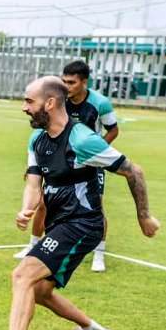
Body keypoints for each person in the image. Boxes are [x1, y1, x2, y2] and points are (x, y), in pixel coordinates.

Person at [0, 76, 159, 330]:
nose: (24, 108)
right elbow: (33, 182)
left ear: (51, 103)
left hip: (83, 223)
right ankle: (92, 329)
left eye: (29, 101)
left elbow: (134, 171)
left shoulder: (82, 140)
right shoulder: (38, 140)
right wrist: (26, 208)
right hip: (60, 223)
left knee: (23, 274)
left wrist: (144, 217)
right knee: (40, 291)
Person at [14, 61, 119, 272]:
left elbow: (113, 129)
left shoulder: (100, 103)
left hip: (89, 158)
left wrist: (95, 154)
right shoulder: (60, 102)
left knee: (96, 204)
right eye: (64, 81)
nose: (67, 86)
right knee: (43, 202)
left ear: (84, 82)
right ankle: (34, 244)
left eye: (71, 82)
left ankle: (99, 254)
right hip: (59, 157)